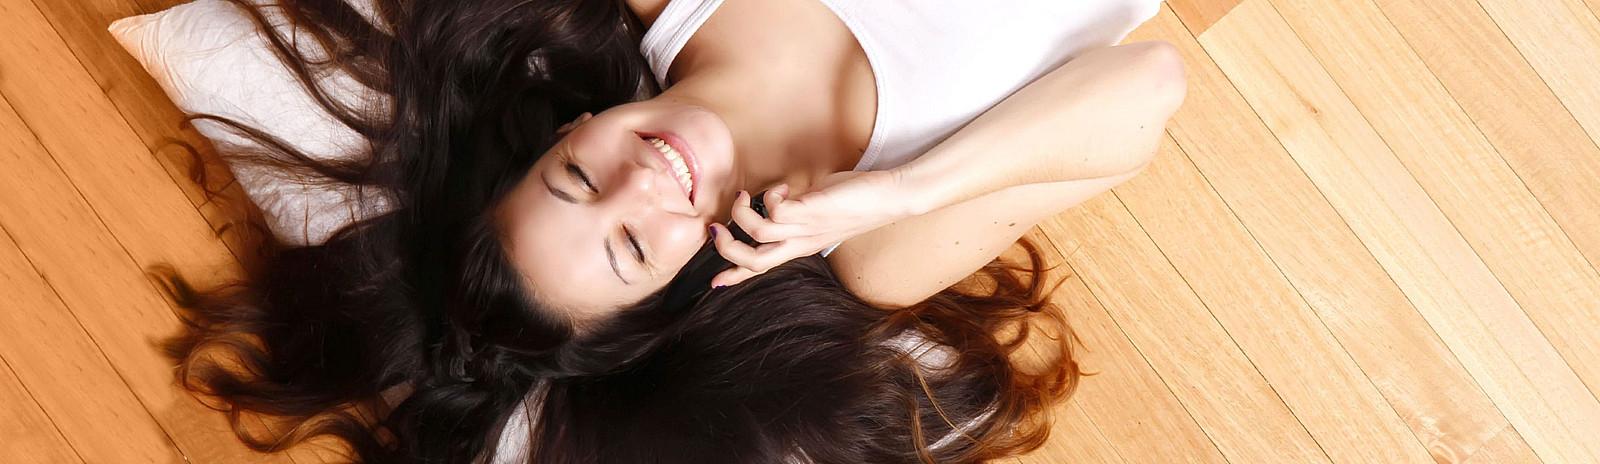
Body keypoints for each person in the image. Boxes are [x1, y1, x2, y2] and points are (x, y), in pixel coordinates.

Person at [160, 0, 1184, 462]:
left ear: (566, 130)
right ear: (683, 284)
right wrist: (905, 190)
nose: (638, 182)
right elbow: (1147, 82)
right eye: (632, 246)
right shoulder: (882, 242)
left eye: (575, 177)